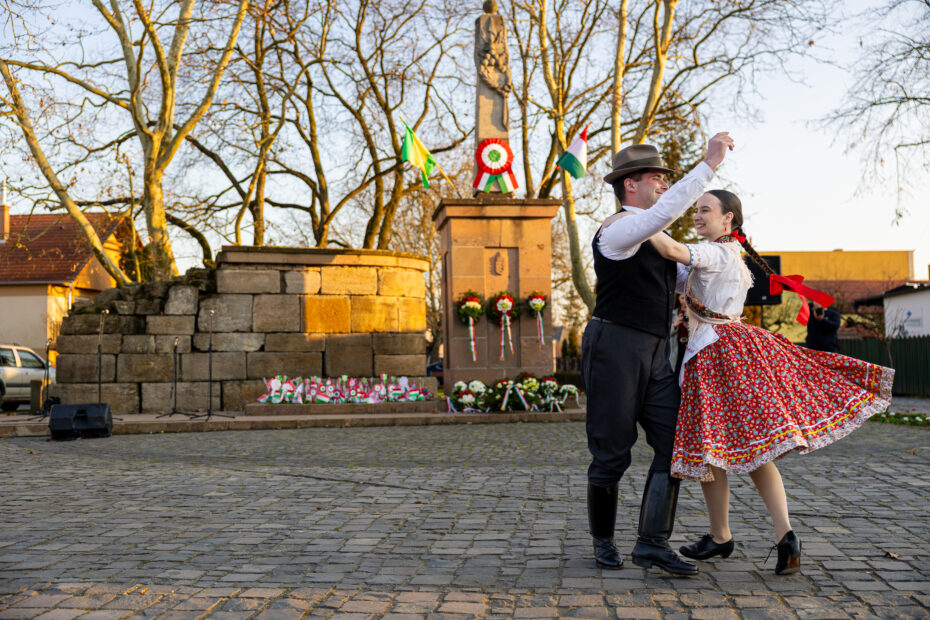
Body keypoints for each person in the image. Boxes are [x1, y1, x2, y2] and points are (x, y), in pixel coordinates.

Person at [647, 190, 894, 575]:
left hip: (716, 354)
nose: (697, 216)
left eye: (705, 210)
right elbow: (679, 274)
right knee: (747, 449)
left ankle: (722, 535)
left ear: (728, 219)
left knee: (712, 445)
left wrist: (642, 221)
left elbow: (675, 252)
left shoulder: (717, 252)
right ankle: (783, 537)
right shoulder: (731, 256)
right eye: (695, 210)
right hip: (730, 350)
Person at [581, 131, 734, 575]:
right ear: (631, 184)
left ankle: (651, 542)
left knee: (677, 441)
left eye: (668, 179)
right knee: (611, 451)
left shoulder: (656, 231)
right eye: (657, 178)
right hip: (615, 346)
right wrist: (709, 165)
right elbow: (665, 213)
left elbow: (699, 268)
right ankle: (602, 541)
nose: (664, 185)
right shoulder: (620, 228)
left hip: (657, 351)